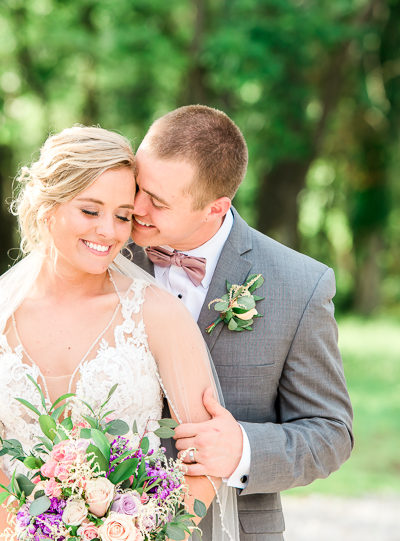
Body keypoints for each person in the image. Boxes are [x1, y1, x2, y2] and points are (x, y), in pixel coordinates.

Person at [125, 105, 354, 540]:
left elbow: (330, 433)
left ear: (215, 208)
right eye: (138, 185)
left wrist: (243, 450)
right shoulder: (104, 257)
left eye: (157, 201)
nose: (136, 207)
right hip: (105, 521)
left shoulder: (300, 285)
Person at [0, 126, 237, 540]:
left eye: (123, 216)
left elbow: (206, 460)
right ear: (47, 205)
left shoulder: (156, 313)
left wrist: (155, 534)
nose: (109, 232)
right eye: (90, 211)